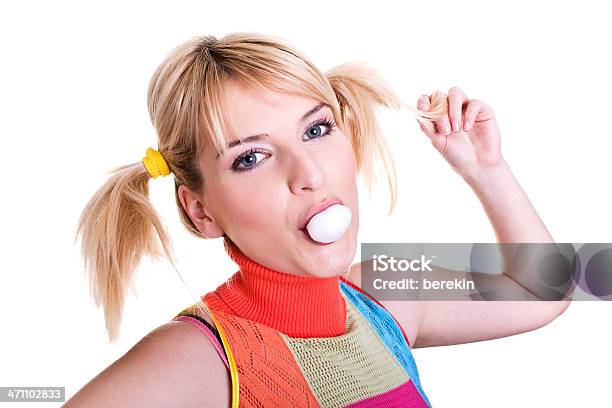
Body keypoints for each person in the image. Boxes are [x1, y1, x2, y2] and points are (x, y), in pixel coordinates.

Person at [66, 32, 571, 407]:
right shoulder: (199, 356)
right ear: (201, 211)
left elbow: (543, 289)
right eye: (251, 157)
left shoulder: (381, 293)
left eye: (317, 129)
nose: (308, 173)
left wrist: (487, 171)